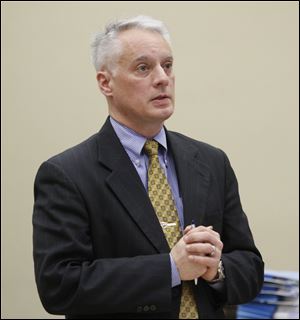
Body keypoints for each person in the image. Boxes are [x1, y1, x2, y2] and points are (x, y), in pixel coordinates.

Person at [32, 15, 264, 319]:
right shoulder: (66, 174)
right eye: (143, 68)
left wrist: (215, 268)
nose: (162, 78)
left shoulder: (211, 161)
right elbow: (59, 286)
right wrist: (170, 268)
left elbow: (250, 267)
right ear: (105, 82)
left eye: (167, 66)